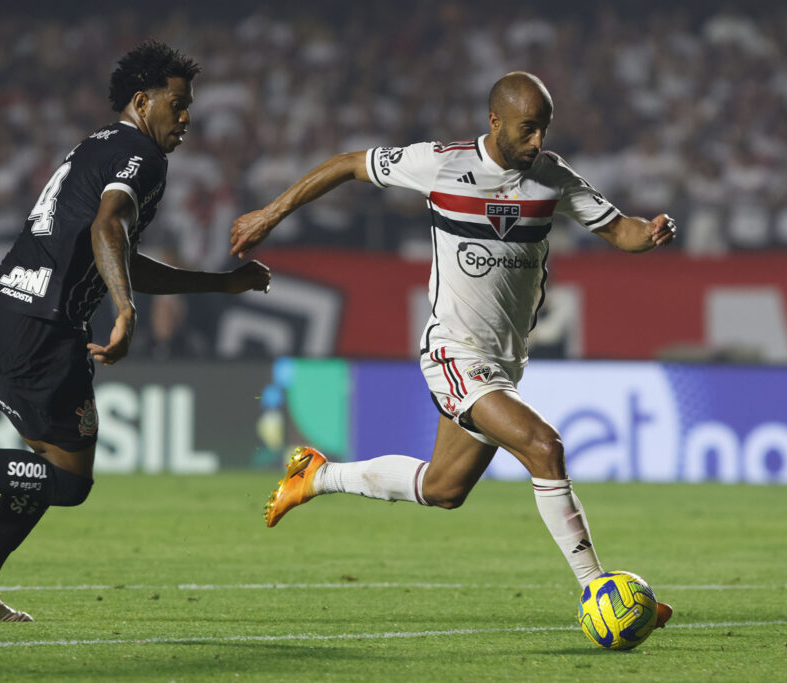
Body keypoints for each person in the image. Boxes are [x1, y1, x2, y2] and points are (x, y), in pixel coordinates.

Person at [230, 71, 673, 626]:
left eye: (544, 130)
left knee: (443, 489)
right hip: (454, 353)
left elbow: (620, 231)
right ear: (495, 121)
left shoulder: (551, 176)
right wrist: (271, 213)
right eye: (527, 129)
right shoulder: (441, 163)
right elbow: (347, 163)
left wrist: (650, 232)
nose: (537, 142)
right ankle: (599, 591)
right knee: (545, 448)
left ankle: (317, 475)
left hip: (505, 361)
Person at [0, 40, 270, 622]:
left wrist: (219, 285)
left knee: (48, 463)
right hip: (42, 323)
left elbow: (117, 249)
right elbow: (109, 227)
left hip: (12, 306)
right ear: (142, 100)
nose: (186, 119)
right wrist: (126, 312)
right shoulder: (143, 158)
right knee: (67, 481)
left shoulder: (99, 144)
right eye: (177, 105)